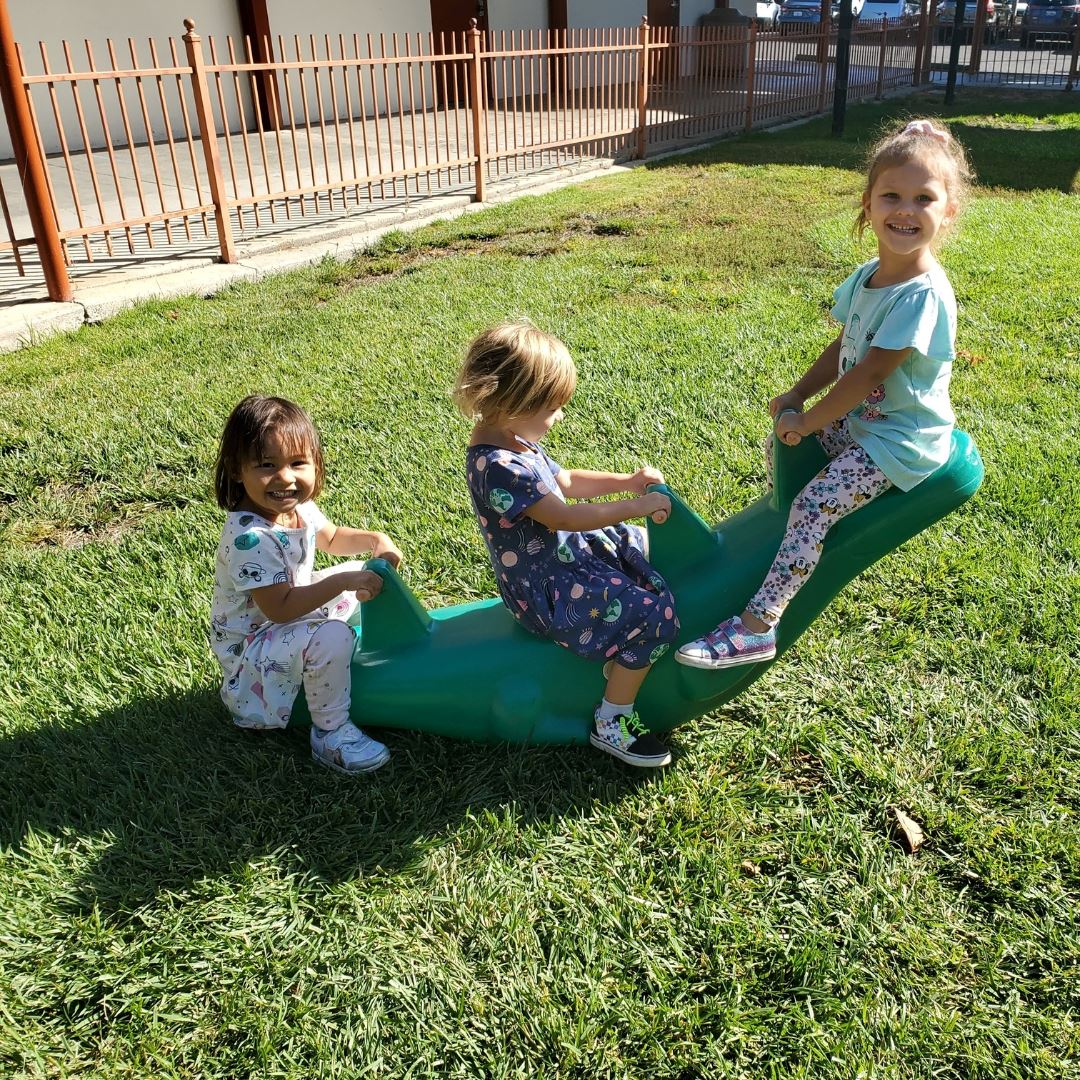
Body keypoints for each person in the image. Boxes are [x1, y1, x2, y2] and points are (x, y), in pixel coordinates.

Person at [678, 118, 973, 670]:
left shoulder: (923, 296)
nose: (904, 210)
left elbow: (867, 377)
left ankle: (757, 626)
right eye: (891, 195)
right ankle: (784, 532)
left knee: (814, 505)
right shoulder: (868, 277)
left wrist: (810, 421)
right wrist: (795, 394)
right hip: (865, 423)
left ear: (947, 211)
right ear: (868, 204)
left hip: (902, 440)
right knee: (783, 451)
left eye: (923, 198)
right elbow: (843, 348)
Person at [454, 320, 680, 768]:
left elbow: (568, 482)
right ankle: (613, 720)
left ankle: (618, 650)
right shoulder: (498, 465)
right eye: (554, 407)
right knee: (655, 616)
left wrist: (627, 482)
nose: (559, 417)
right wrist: (633, 505)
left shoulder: (515, 440)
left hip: (562, 554)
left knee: (638, 544)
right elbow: (564, 515)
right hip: (547, 587)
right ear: (515, 401)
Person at [210, 394, 404, 774]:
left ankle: (335, 657)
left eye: (298, 463)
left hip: (287, 623)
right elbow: (280, 608)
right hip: (254, 654)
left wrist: (374, 539)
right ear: (236, 470)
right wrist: (343, 582)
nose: (285, 477)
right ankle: (330, 734)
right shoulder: (251, 541)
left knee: (354, 577)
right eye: (266, 465)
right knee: (333, 629)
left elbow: (330, 538)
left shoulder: (296, 508)